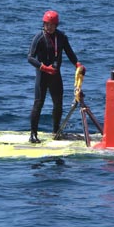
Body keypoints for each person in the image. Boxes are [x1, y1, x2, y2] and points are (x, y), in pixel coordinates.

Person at [27, 10, 84, 143]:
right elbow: (30, 57)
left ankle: (56, 131)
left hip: (55, 76)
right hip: (42, 75)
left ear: (56, 25)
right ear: (43, 24)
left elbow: (70, 53)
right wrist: (43, 67)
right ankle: (33, 134)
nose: (49, 27)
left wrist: (77, 64)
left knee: (58, 104)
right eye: (47, 24)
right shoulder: (39, 37)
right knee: (38, 104)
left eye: (52, 24)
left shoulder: (62, 37)